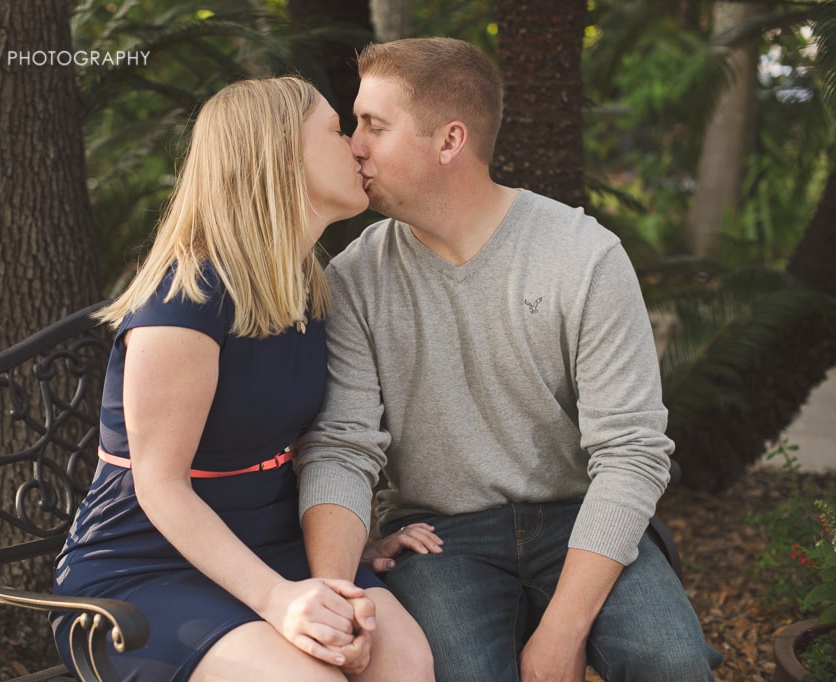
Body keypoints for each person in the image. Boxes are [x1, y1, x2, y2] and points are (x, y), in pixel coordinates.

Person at [295, 38, 723, 682]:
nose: (354, 145)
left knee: (670, 662)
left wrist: (561, 635)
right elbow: (341, 448)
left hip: (581, 516)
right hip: (441, 537)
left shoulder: (584, 256)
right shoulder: (356, 278)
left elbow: (632, 453)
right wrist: (338, 591)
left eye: (374, 126)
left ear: (449, 142)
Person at [51, 76, 433, 682]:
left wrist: (343, 549)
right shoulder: (185, 297)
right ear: (279, 157)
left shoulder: (307, 286)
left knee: (403, 658)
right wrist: (281, 600)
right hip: (148, 567)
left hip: (275, 545)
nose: (359, 148)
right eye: (337, 131)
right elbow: (161, 485)